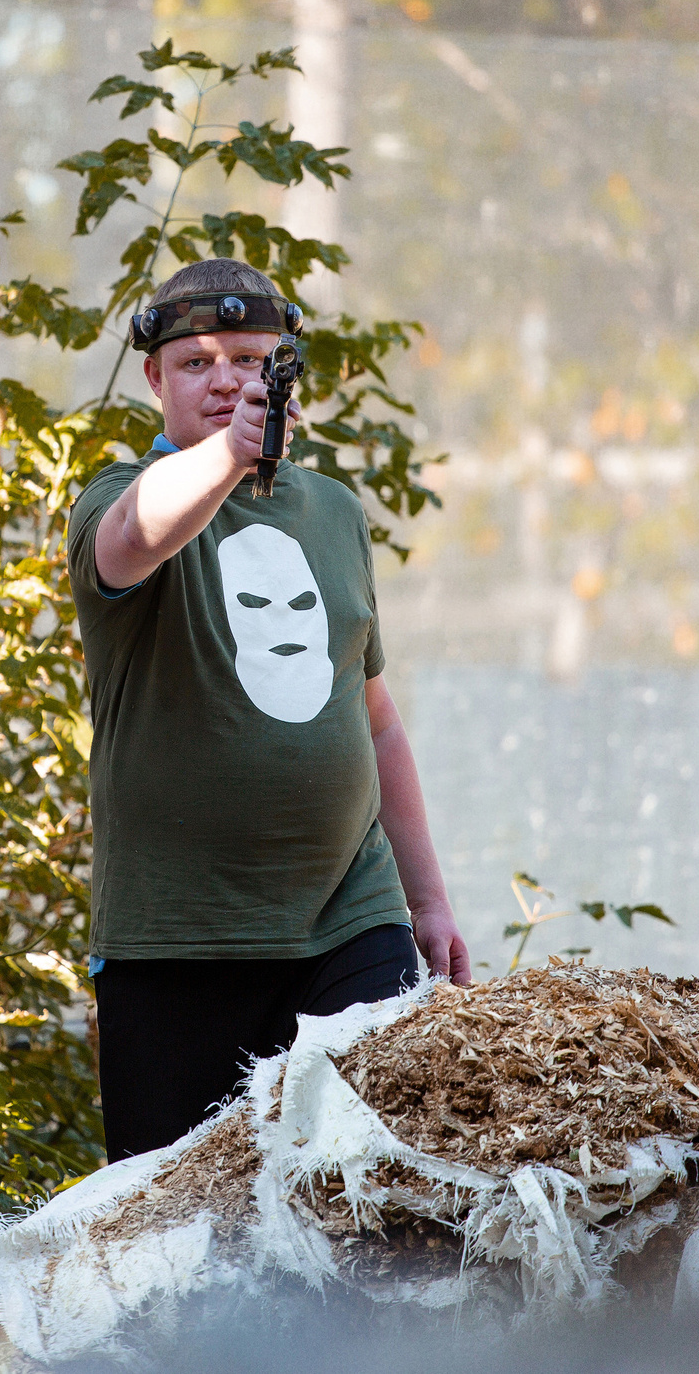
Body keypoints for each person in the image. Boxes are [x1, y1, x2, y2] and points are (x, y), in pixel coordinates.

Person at [68, 257, 471, 1161]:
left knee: (379, 1203)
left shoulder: (333, 510)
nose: (228, 380)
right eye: (198, 363)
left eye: (251, 359)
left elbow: (375, 717)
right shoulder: (117, 495)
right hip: (177, 946)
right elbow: (132, 542)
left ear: (285, 370)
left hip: (349, 923)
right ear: (154, 380)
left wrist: (428, 900)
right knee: (170, 1245)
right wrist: (230, 453)